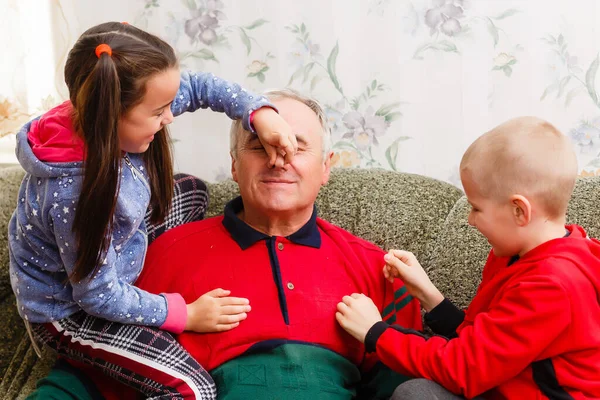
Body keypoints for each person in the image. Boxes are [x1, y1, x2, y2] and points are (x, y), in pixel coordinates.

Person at [60, 89, 421, 400]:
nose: (278, 159)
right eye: (258, 145)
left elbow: (408, 380)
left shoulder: (378, 267)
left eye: (296, 146)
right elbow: (97, 372)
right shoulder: (165, 254)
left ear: (326, 167)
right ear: (234, 165)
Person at [9, 21, 298, 399]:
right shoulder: (74, 194)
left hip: (110, 254)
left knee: (192, 191)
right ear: (110, 114)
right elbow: (96, 296)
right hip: (72, 312)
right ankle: (98, 350)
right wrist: (184, 314)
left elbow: (197, 87)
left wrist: (259, 113)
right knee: (192, 390)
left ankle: (140, 297)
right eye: (159, 111)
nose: (170, 118)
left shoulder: (112, 105)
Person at [335, 116, 600, 399]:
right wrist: (429, 296)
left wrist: (375, 333)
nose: (470, 220)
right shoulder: (515, 255)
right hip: (503, 382)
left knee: (417, 394)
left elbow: (463, 369)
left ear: (519, 211)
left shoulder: (551, 286)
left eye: (476, 208)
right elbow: (482, 344)